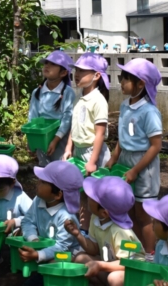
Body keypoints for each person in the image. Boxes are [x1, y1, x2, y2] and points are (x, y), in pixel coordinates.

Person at [105, 58, 162, 259]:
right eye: (121, 77)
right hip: (125, 164)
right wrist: (114, 157)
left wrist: (136, 170)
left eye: (126, 78)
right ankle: (135, 252)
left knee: (144, 214)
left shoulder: (149, 111)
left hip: (144, 167)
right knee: (127, 210)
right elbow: (122, 136)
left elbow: (156, 146)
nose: (121, 82)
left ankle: (150, 255)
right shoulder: (124, 106)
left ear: (141, 84)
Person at [64, 176, 144, 286]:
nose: (88, 196)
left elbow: (127, 264)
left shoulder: (120, 231)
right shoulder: (95, 218)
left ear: (104, 213)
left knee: (114, 279)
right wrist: (78, 234)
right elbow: (94, 249)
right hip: (109, 266)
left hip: (133, 273)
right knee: (80, 259)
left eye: (92, 197)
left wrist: (101, 266)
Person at [63, 52, 111, 230]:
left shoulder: (98, 101)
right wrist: (69, 148)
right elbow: (74, 127)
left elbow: (99, 134)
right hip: (79, 152)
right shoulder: (79, 98)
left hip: (93, 153)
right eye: (76, 71)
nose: (77, 75)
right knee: (82, 193)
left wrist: (92, 161)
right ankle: (84, 231)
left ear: (97, 76)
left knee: (97, 197)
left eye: (83, 72)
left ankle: (101, 232)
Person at [19, 161, 83, 286]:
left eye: (43, 182)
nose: (38, 182)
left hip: (68, 255)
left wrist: (38, 254)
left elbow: (63, 247)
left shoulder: (66, 217)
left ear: (58, 194)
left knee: (51, 267)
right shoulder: (39, 200)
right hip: (47, 249)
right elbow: (27, 221)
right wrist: (33, 238)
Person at [28, 51, 76, 166]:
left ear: (63, 73)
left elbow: (67, 119)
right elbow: (32, 116)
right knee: (44, 169)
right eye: (46, 63)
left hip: (60, 140)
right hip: (41, 138)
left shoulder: (68, 93)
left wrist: (55, 140)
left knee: (59, 170)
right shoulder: (37, 92)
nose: (47, 66)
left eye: (53, 64)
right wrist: (31, 139)